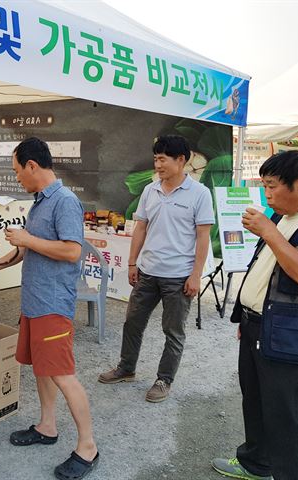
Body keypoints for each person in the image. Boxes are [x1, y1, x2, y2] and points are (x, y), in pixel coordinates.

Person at [0, 137, 99, 480]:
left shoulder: (64, 202)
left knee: (61, 373)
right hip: (34, 301)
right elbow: (29, 248)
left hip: (52, 303)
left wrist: (27, 240)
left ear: (33, 166)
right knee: (42, 369)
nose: (17, 178)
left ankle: (87, 446)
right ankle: (47, 426)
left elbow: (73, 251)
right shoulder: (40, 202)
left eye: (18, 171)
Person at [212, 151, 298, 480]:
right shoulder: (282, 216)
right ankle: (256, 464)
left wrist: (269, 231)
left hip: (294, 335)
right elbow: (266, 269)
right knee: (254, 401)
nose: (266, 195)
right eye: (264, 187)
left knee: (286, 418)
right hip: (261, 325)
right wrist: (248, 315)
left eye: (271, 187)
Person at [98, 135, 214, 402]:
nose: (158, 165)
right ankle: (126, 368)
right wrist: (132, 262)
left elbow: (202, 236)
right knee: (132, 323)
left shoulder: (200, 193)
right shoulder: (151, 190)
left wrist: (196, 274)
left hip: (179, 276)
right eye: (155, 159)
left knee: (173, 331)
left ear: (181, 160)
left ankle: (164, 380)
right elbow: (141, 227)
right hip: (148, 272)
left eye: (163, 159)